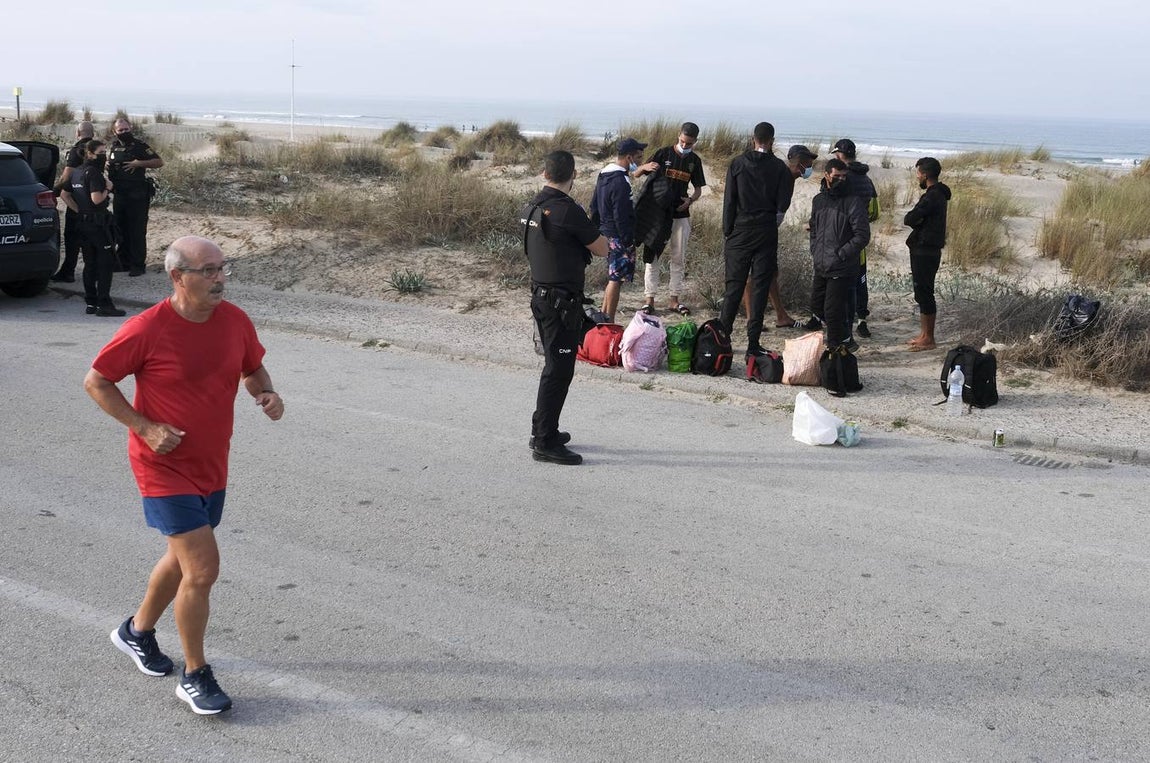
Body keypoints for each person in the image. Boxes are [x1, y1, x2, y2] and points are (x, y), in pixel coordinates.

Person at [84, 236, 284, 715]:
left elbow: (252, 368)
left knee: (180, 559)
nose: (220, 279)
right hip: (162, 466)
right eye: (208, 270)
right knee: (203, 568)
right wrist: (144, 427)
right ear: (179, 277)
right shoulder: (148, 328)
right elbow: (97, 381)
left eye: (222, 268)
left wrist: (267, 394)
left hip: (211, 464)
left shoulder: (233, 320)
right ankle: (195, 675)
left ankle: (135, 632)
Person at [522, 151, 607, 465]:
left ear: (545, 173)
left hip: (542, 297)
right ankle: (544, 441)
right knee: (558, 372)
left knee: (553, 369)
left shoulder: (531, 207)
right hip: (559, 303)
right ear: (573, 176)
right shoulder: (567, 211)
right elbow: (601, 248)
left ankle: (544, 429)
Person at [719, 122, 791, 358]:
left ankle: (723, 336)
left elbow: (729, 200)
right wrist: (770, 225)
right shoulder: (779, 168)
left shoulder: (738, 163)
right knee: (760, 286)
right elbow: (782, 206)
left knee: (734, 285)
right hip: (766, 230)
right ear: (771, 141)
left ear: (753, 139)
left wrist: (728, 230)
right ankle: (753, 343)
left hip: (740, 229)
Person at [632, 122, 706, 316]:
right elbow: (637, 174)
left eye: (689, 143)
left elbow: (698, 190)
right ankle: (649, 300)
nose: (685, 145)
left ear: (695, 142)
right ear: (678, 136)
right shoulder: (663, 153)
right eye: (683, 141)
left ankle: (674, 300)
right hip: (657, 215)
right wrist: (644, 166)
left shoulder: (695, 161)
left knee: (678, 257)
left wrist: (690, 200)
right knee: (652, 255)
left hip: (680, 215)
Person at [743, 144, 818, 329]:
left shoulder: (790, 178)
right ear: (799, 163)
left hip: (768, 230)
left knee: (771, 273)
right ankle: (752, 318)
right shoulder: (779, 175)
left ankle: (781, 315)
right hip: (756, 230)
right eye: (808, 164)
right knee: (753, 274)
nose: (809, 169)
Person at [591, 137, 656, 322]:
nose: (641, 162)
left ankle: (603, 317)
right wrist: (628, 240)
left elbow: (594, 205)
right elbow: (621, 213)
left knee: (613, 276)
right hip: (618, 236)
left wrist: (596, 228)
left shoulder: (604, 174)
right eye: (638, 158)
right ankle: (609, 320)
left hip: (606, 232)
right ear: (629, 157)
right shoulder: (620, 180)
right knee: (616, 279)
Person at [808, 158, 870, 348]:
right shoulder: (818, 200)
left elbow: (862, 235)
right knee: (817, 308)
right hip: (821, 264)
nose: (841, 180)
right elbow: (814, 228)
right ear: (827, 175)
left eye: (844, 177)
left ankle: (837, 348)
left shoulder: (853, 202)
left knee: (834, 311)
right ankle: (844, 340)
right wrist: (815, 249)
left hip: (842, 267)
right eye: (837, 176)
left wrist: (842, 254)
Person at [59, 139, 125, 317]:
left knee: (90, 263)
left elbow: (65, 195)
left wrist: (80, 210)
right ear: (89, 154)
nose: (104, 155)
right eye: (101, 152)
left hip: (82, 223)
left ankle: (91, 302)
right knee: (105, 263)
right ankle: (104, 304)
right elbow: (97, 199)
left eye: (105, 152)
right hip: (97, 224)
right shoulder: (94, 173)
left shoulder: (76, 172)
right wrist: (108, 189)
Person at [904, 157, 951, 351]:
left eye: (918, 173)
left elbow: (910, 218)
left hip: (926, 249)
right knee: (922, 291)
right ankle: (924, 334)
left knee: (924, 292)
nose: (917, 177)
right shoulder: (937, 194)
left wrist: (917, 222)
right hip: (926, 247)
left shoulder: (933, 196)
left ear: (924, 174)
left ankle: (928, 338)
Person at [108, 118, 164, 276]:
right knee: (120, 228)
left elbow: (159, 162)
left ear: (130, 128)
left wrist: (138, 164)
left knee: (137, 230)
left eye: (126, 129)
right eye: (121, 130)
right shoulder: (114, 147)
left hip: (137, 194)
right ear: (115, 132)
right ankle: (123, 262)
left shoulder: (139, 146)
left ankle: (137, 265)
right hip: (119, 194)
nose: (124, 132)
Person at [51, 120, 95, 283]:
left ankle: (68, 271)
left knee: (72, 237)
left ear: (77, 133)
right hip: (94, 198)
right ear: (93, 133)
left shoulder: (77, 150)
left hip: (76, 198)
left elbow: (66, 175)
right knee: (91, 237)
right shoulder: (98, 148)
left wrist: (53, 191)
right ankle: (93, 272)